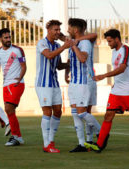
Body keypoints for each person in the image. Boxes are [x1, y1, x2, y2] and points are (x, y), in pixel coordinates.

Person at [84, 29, 129, 153]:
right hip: (116, 90)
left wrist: (104, 75)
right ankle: (99, 145)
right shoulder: (114, 52)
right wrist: (114, 84)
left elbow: (122, 69)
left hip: (128, 90)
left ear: (117, 39)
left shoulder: (126, 50)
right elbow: (118, 71)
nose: (109, 44)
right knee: (108, 115)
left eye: (110, 41)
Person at [36, 20, 72, 153]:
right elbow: (49, 55)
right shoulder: (42, 43)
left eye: (59, 30)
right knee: (47, 111)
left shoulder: (57, 45)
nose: (58, 32)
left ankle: (51, 140)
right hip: (43, 83)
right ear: (49, 30)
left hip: (54, 83)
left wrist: (68, 64)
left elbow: (57, 65)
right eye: (55, 30)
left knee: (58, 111)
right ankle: (46, 144)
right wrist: (64, 46)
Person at [66, 18, 101, 152]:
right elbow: (72, 59)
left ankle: (101, 133)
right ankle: (83, 144)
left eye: (69, 27)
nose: (67, 30)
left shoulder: (84, 42)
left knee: (83, 113)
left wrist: (74, 44)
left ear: (75, 30)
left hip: (84, 81)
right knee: (76, 113)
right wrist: (66, 72)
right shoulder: (73, 42)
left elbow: (82, 58)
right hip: (75, 82)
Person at [0, 28, 26, 146]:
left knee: (9, 108)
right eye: (6, 38)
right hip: (5, 85)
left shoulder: (17, 50)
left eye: (9, 37)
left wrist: (20, 78)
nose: (8, 39)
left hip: (17, 83)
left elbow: (24, 66)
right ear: (0, 39)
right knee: (9, 110)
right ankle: (18, 137)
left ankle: (15, 136)